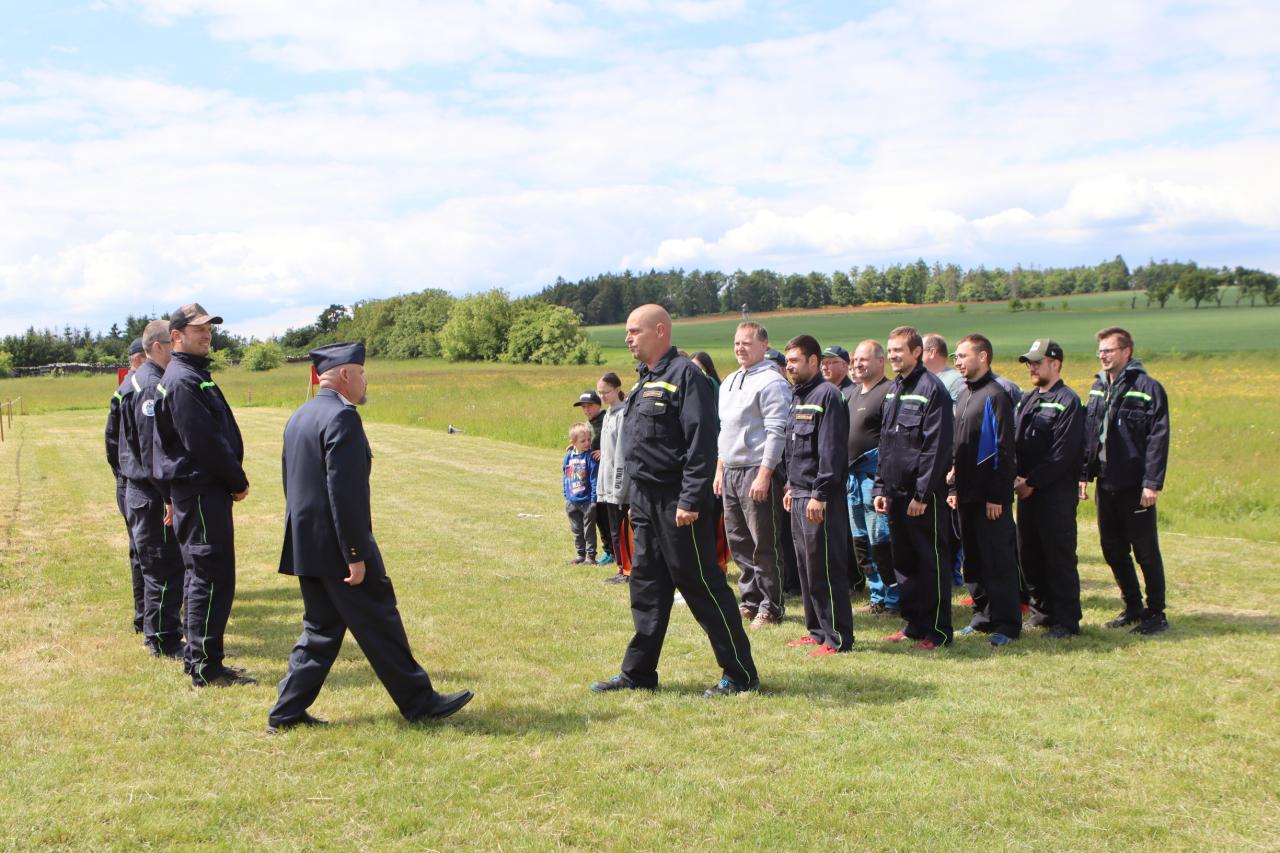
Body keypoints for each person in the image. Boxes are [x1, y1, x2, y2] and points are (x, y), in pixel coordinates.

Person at [268, 342, 473, 731]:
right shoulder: (342, 418)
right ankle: (420, 702)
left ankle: (286, 712)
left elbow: (290, 484)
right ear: (345, 375)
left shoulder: (300, 415)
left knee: (321, 630)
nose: (365, 381)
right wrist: (355, 552)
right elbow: (344, 493)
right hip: (339, 548)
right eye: (362, 373)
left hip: (308, 545)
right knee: (380, 619)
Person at [591, 304, 758, 697]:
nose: (628, 338)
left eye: (634, 331)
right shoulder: (644, 381)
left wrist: (690, 499)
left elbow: (702, 443)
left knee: (702, 587)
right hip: (644, 501)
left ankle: (740, 674)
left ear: (660, 330)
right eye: (627, 332)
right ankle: (638, 673)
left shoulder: (686, 376)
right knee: (646, 587)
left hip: (678, 502)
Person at [152, 304, 255, 687]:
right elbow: (204, 442)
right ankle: (205, 668)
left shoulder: (192, 374)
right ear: (176, 336)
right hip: (199, 490)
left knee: (208, 575)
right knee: (209, 576)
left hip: (202, 491)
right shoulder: (183, 381)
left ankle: (201, 659)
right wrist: (236, 480)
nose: (207, 334)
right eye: (198, 329)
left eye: (209, 328)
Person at [1080, 327, 1171, 636]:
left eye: (1109, 350)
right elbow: (1090, 433)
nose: (1103, 356)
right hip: (1106, 482)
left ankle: (1156, 613)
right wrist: (1084, 474)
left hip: (1135, 484)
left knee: (1145, 550)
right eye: (1100, 351)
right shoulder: (1097, 387)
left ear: (1126, 352)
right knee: (1112, 548)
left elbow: (1158, 438)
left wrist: (1151, 483)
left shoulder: (1147, 388)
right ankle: (1133, 606)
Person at [873, 326, 954, 650]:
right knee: (904, 562)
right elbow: (886, 442)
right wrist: (881, 486)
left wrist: (922, 494)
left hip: (922, 496)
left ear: (917, 352)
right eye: (890, 350)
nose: (892, 356)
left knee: (929, 561)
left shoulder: (931, 389)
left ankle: (938, 630)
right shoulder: (894, 388)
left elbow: (936, 448)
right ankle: (914, 624)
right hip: (895, 493)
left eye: (898, 350)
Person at [782, 335, 854, 656]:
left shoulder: (829, 396)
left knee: (825, 566)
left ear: (813, 361)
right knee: (806, 567)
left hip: (819, 498)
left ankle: (837, 636)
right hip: (799, 494)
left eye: (795, 360)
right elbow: (794, 449)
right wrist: (790, 487)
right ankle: (816, 630)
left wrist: (819, 494)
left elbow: (831, 451)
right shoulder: (798, 396)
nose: (789, 366)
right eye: (787, 361)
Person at [715, 321, 789, 629]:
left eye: (746, 343)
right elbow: (724, 430)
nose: (740, 348)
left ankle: (771, 605)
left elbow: (777, 431)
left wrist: (764, 474)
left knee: (763, 542)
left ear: (764, 345)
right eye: (736, 343)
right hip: (731, 470)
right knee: (739, 541)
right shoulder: (729, 381)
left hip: (756, 470)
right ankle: (750, 600)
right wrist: (720, 469)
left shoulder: (772, 382)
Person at [118, 320, 185, 657]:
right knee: (163, 566)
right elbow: (151, 451)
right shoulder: (149, 385)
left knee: (160, 565)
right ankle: (163, 640)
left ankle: (158, 633)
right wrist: (167, 496)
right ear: (158, 347)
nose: (178, 348)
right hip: (151, 494)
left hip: (145, 491)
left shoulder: (146, 380)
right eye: (173, 342)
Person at [949, 334, 1020, 646]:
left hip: (990, 497)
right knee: (974, 560)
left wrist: (997, 496)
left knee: (997, 560)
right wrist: (953, 486)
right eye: (956, 357)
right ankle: (982, 617)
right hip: (965, 494)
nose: (958, 362)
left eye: (963, 356)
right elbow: (958, 446)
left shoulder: (996, 395)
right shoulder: (964, 394)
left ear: (983, 357)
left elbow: (1004, 451)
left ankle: (1007, 624)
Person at [1014, 339, 1085, 639]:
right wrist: (1017, 478)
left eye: (1037, 362)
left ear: (1055, 364)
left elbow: (1062, 454)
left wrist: (1032, 482)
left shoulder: (1069, 401)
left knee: (1058, 557)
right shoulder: (1028, 399)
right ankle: (1042, 611)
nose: (1031, 368)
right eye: (1029, 363)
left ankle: (1067, 620)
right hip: (1026, 492)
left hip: (1054, 494)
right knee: (1029, 554)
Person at [848, 340, 898, 616]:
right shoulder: (854, 394)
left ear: (881, 361)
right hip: (852, 482)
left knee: (881, 540)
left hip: (874, 478)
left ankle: (894, 598)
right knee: (861, 543)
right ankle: (877, 594)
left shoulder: (889, 392)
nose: (858, 364)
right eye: (856, 360)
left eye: (864, 359)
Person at [105, 337, 147, 634]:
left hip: (128, 479)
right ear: (137, 360)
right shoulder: (131, 391)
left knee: (143, 550)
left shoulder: (132, 388)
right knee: (143, 551)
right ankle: (144, 616)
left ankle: (149, 614)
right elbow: (113, 442)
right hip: (133, 481)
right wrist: (124, 475)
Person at [596, 372, 631, 584]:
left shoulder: (623, 415)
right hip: (607, 484)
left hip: (621, 487)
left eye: (606, 392)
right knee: (613, 530)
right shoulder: (607, 414)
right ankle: (620, 567)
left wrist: (618, 487)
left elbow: (621, 454)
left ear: (617, 389)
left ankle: (627, 570)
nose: (602, 396)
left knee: (622, 530)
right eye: (600, 392)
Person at [572, 391, 609, 565]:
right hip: (590, 476)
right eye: (583, 407)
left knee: (605, 515)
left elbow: (616, 441)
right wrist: (574, 447)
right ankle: (607, 549)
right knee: (597, 517)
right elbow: (585, 442)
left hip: (605, 474)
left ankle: (612, 551)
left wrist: (605, 452)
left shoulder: (606, 419)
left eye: (590, 406)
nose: (586, 410)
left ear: (598, 405)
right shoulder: (588, 424)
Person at [562, 423, 599, 565]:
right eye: (583, 441)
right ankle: (580, 554)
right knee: (576, 530)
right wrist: (566, 494)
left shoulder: (590, 457)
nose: (587, 443)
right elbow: (565, 476)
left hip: (587, 501)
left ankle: (591, 556)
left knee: (589, 530)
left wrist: (594, 499)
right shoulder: (568, 457)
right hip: (572, 501)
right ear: (573, 443)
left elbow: (594, 479)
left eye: (589, 440)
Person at [923, 333, 963, 403]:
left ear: (932, 352)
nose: (916, 354)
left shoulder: (956, 381)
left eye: (920, 350)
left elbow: (957, 409)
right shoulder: (921, 379)